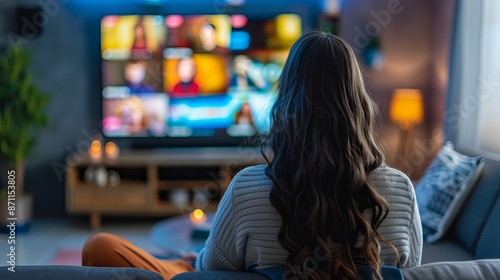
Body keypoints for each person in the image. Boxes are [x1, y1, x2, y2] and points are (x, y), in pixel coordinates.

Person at [82, 30, 422, 280]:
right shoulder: (400, 191)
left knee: (99, 247)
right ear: (358, 105)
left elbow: (212, 273)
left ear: (288, 103)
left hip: (198, 270)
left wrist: (195, 264)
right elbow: (410, 272)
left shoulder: (248, 188)